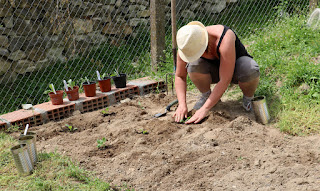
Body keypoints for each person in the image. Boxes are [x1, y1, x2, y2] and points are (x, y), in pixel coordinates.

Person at [173, 21, 260, 124]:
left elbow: (225, 80)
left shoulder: (224, 37)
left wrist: (204, 109)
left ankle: (248, 99)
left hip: (236, 69)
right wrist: (182, 105)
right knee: (194, 65)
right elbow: (180, 76)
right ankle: (206, 96)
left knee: (250, 68)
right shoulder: (187, 45)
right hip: (213, 72)